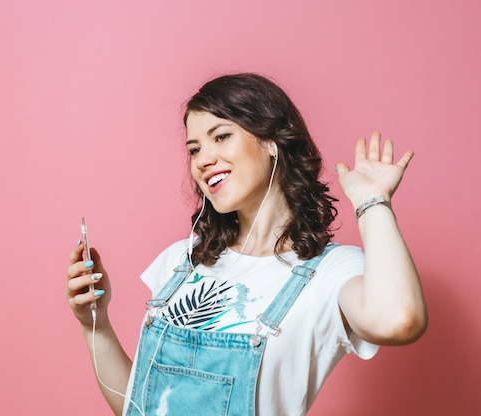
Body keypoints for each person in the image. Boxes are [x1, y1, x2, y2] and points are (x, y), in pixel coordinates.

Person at [67, 73, 428, 415]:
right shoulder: (183, 261)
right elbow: (139, 408)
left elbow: (399, 321)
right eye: (194, 149)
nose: (203, 160)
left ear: (272, 141)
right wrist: (92, 324)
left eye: (221, 136)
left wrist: (372, 203)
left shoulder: (331, 272)